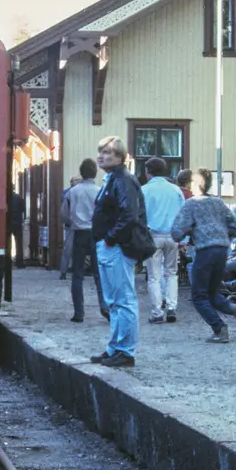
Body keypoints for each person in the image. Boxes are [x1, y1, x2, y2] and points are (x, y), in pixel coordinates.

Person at [89, 136, 151, 367]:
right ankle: (115, 347)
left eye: (107, 152)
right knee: (115, 300)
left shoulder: (122, 180)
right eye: (100, 151)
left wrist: (110, 238)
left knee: (123, 299)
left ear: (120, 157)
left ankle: (125, 351)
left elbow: (129, 215)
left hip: (116, 247)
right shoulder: (114, 179)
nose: (101, 156)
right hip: (110, 246)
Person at [171, 168, 236, 343]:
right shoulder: (218, 202)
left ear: (193, 184)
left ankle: (219, 328)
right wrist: (224, 236)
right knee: (213, 293)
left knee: (199, 296)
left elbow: (176, 231)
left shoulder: (192, 204)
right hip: (222, 250)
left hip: (205, 251)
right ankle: (235, 309)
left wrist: (191, 233)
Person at [64, 160, 109, 323]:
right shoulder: (100, 191)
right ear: (95, 173)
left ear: (81, 173)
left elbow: (64, 214)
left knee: (77, 274)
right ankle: (104, 306)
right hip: (96, 235)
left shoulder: (72, 192)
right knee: (100, 273)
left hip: (79, 234)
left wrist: (73, 222)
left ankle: (79, 312)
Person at [141, 157, 185, 323]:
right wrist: (184, 238)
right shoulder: (175, 190)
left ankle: (157, 312)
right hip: (173, 235)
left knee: (154, 276)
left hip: (153, 236)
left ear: (149, 171)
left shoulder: (144, 190)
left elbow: (141, 215)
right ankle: (172, 307)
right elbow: (183, 215)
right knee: (172, 273)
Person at [59, 176, 81, 279]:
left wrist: (67, 221)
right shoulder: (74, 192)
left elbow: (63, 210)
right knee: (79, 249)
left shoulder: (65, 193)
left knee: (67, 249)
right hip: (80, 224)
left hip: (71, 224)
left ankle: (64, 271)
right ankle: (78, 271)